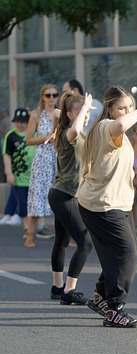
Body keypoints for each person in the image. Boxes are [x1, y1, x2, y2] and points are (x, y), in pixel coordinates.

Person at [78, 86, 137, 328]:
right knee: (127, 254)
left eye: (131, 107)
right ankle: (114, 309)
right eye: (122, 107)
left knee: (118, 254)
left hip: (115, 202)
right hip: (103, 204)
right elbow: (122, 125)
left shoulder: (113, 132)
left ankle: (100, 297)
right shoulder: (106, 127)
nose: (127, 111)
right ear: (110, 109)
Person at [48, 92, 94, 304]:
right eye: (80, 112)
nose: (85, 115)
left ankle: (57, 287)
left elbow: (59, 112)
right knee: (85, 242)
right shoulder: (69, 132)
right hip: (63, 195)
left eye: (86, 112)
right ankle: (68, 291)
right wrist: (83, 107)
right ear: (69, 114)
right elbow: (72, 125)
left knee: (62, 241)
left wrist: (84, 108)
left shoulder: (80, 134)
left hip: (64, 194)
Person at [24, 84, 59, 247]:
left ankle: (65, 237)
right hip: (42, 158)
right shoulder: (36, 115)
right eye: (48, 95)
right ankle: (30, 235)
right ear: (43, 97)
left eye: (55, 95)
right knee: (37, 197)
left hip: (58, 158)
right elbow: (28, 140)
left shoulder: (61, 114)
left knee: (61, 198)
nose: (52, 98)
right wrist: (47, 138)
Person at [2, 109, 35, 229]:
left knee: (33, 203)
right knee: (22, 203)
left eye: (23, 122)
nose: (20, 124)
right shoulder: (11, 135)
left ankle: (36, 227)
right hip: (19, 177)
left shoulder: (34, 134)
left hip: (33, 176)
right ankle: (27, 229)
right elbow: (7, 155)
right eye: (17, 121)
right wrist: (9, 173)